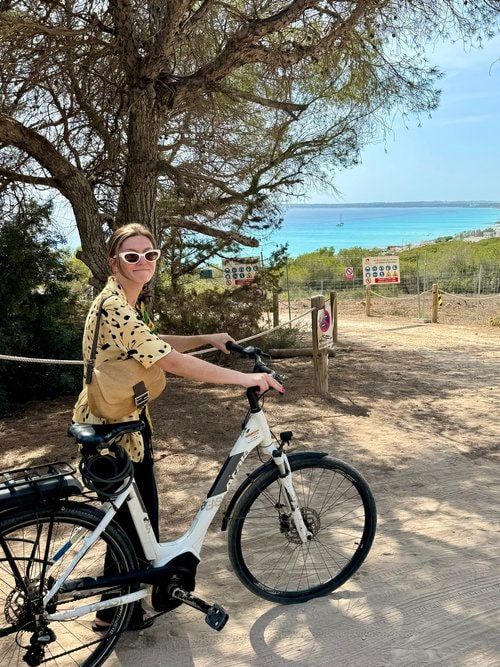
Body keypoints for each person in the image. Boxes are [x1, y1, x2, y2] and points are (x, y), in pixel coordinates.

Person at [72, 223, 283, 631]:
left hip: (123, 422)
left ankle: (118, 611)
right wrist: (246, 380)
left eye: (150, 255)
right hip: (116, 430)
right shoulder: (114, 305)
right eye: (132, 256)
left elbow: (154, 341)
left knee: (133, 523)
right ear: (114, 262)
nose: (143, 263)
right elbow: (169, 362)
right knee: (134, 522)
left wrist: (208, 337)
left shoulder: (127, 302)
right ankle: (114, 610)